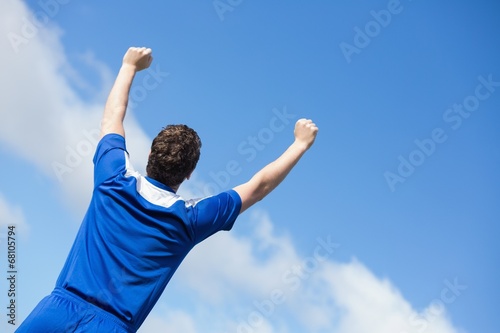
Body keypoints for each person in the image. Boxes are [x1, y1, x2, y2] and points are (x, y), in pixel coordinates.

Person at [16, 47, 318, 333]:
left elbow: (112, 118)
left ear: (149, 155)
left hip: (54, 313)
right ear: (188, 175)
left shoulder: (112, 178)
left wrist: (129, 66)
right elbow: (258, 186)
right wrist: (300, 144)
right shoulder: (188, 222)